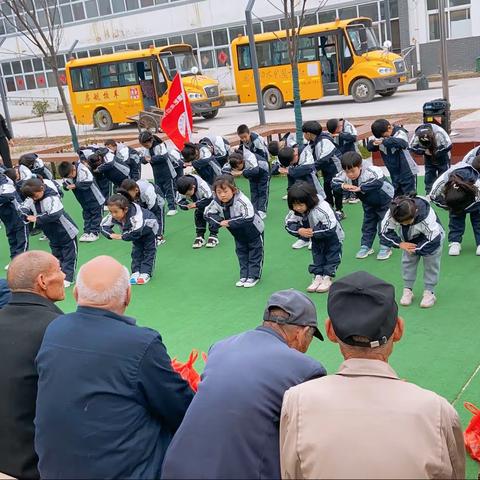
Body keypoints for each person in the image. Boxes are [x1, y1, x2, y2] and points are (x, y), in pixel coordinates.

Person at [280, 271, 465, 480]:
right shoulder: (437, 411)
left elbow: (290, 473)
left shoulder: (296, 401)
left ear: (330, 331)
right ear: (398, 330)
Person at [34, 256, 194, 479]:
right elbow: (183, 409)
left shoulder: (55, 329)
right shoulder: (141, 343)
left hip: (54, 470)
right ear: (128, 295)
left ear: (76, 294)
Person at [161, 289, 326, 480]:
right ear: (302, 332)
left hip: (176, 468)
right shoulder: (306, 369)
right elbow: (307, 445)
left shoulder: (221, 346)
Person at [0, 251, 64, 479]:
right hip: (33, 466)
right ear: (43, 281)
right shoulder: (60, 330)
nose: (64, 274)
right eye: (58, 270)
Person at [381, 194, 445, 308]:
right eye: (401, 223)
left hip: (431, 240)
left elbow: (434, 239)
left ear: (415, 212)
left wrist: (415, 249)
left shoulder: (426, 216)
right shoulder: (393, 212)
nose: (405, 224)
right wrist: (400, 243)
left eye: (408, 221)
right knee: (407, 263)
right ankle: (408, 290)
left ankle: (429, 292)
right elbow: (384, 232)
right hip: (409, 238)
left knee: (431, 264)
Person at [332, 151, 394, 260]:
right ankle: (366, 245)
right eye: (347, 172)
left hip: (385, 199)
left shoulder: (372, 170)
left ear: (360, 166)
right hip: (368, 201)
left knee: (384, 223)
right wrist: (343, 185)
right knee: (368, 223)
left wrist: (361, 188)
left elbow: (378, 181)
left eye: (352, 171)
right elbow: (334, 183)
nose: (350, 174)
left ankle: (386, 246)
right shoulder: (344, 174)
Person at [205, 175, 264, 288]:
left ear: (233, 189)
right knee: (241, 252)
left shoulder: (242, 200)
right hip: (237, 233)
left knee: (255, 252)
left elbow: (248, 217)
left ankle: (253, 276)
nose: (222, 195)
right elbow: (207, 213)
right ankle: (244, 275)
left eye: (225, 191)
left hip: (254, 230)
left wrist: (229, 222)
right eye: (219, 192)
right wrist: (219, 221)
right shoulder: (216, 201)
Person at [285, 182, 344, 293]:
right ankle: (318, 276)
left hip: (332, 236)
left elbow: (330, 225)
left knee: (332, 256)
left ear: (309, 201)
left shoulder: (322, 207)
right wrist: (299, 230)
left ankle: (327, 277)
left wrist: (313, 232)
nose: (297, 208)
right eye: (294, 205)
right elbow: (288, 223)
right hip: (315, 237)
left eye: (301, 205)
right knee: (317, 256)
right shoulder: (295, 211)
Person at [19, 178, 78, 288]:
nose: (33, 199)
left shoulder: (52, 197)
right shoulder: (32, 197)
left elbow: (55, 214)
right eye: (31, 197)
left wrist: (36, 218)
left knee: (69, 255)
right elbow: (23, 207)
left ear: (42, 189)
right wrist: (25, 214)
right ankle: (58, 274)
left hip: (65, 230)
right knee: (56, 254)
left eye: (35, 196)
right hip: (51, 232)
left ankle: (68, 277)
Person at [101, 190, 159, 285]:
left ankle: (145, 272)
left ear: (125, 210)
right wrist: (110, 234)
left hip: (149, 230)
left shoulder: (136, 216)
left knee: (149, 251)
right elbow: (103, 226)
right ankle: (136, 271)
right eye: (111, 212)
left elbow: (137, 230)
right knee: (136, 250)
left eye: (116, 212)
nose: (113, 215)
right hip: (134, 232)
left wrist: (122, 236)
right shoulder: (113, 215)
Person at [430, 161, 480, 257]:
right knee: (455, 219)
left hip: (474, 200)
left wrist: (465, 206)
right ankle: (455, 242)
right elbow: (432, 196)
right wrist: (448, 205)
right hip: (453, 199)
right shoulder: (444, 179)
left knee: (478, 219)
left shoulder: (477, 183)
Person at [302, 120, 345, 220]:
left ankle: (339, 209)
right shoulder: (313, 142)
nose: (304, 135)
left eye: (304, 133)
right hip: (326, 169)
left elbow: (324, 158)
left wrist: (312, 168)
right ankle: (330, 208)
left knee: (336, 188)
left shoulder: (324, 141)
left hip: (335, 168)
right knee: (327, 188)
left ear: (308, 133)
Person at [368, 119, 419, 197]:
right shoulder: (382, 137)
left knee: (410, 198)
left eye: (385, 136)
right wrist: (374, 142)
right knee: (397, 199)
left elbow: (402, 143)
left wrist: (383, 141)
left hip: (407, 172)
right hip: (394, 174)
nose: (384, 138)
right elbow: (370, 147)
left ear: (389, 127)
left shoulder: (399, 132)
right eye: (382, 137)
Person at [58, 160, 105, 243]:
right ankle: (87, 232)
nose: (70, 177)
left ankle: (95, 232)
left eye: (71, 175)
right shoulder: (68, 173)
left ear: (73, 169)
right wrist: (66, 186)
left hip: (95, 197)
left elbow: (88, 182)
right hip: (83, 200)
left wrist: (75, 185)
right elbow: (65, 183)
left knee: (96, 214)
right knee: (86, 214)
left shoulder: (82, 169)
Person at [139, 131, 178, 215]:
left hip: (167, 171)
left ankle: (173, 207)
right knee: (158, 190)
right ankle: (160, 207)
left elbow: (163, 157)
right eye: (143, 145)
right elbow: (142, 159)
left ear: (151, 140)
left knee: (169, 190)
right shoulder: (146, 148)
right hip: (156, 173)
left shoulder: (160, 145)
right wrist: (146, 159)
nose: (145, 147)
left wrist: (150, 159)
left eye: (146, 145)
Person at [176, 174, 219, 248]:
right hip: (199, 203)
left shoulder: (202, 185)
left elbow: (210, 198)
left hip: (213, 203)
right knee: (198, 214)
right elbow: (178, 200)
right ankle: (200, 236)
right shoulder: (182, 188)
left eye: (188, 194)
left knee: (211, 214)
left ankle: (213, 235)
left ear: (193, 187)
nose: (188, 196)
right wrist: (185, 206)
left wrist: (196, 204)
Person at [409, 122, 452, 194]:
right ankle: (429, 192)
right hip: (427, 155)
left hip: (442, 154)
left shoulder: (439, 132)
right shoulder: (417, 134)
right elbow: (411, 147)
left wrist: (436, 152)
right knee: (429, 174)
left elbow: (449, 145)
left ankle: (444, 192)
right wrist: (423, 150)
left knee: (444, 173)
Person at [120, 178, 165, 245]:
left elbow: (152, 208)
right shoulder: (127, 193)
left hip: (155, 198)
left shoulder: (148, 191)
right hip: (141, 198)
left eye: (128, 195)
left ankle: (159, 236)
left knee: (157, 215)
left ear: (136, 190)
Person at [227, 149, 270, 219]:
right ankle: (254, 210)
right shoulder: (234, 159)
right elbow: (225, 169)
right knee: (254, 191)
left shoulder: (249, 157)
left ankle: (262, 211)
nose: (237, 169)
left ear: (241, 162)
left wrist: (241, 172)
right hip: (252, 174)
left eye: (237, 167)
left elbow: (256, 171)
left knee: (262, 191)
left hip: (263, 172)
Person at [0, 170, 29, 269]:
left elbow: (7, 195)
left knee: (22, 240)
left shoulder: (5, 182)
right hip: (6, 218)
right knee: (12, 238)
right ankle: (15, 260)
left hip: (18, 214)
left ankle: (21, 262)